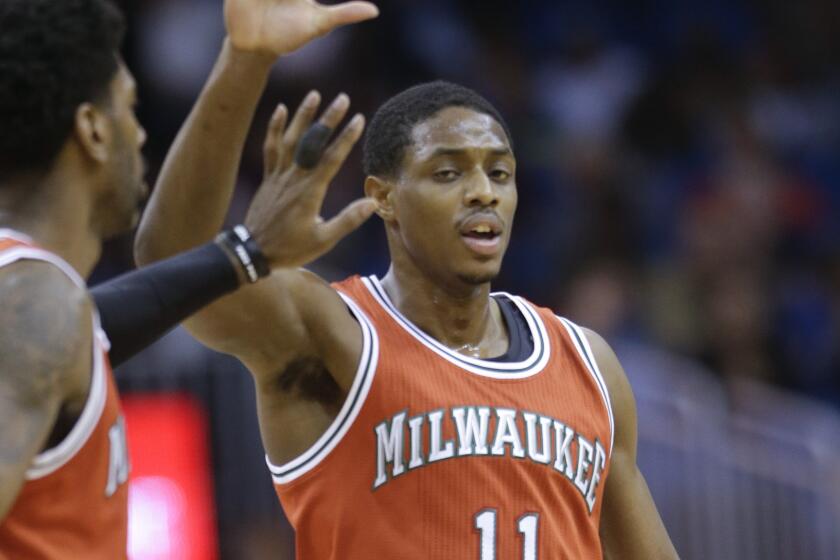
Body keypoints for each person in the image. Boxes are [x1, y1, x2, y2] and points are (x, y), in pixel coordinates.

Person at [135, 0, 679, 558]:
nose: (482, 192)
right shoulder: (334, 333)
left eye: (499, 173)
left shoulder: (589, 364)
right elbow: (170, 266)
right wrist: (243, 62)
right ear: (384, 199)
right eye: (448, 172)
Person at [0, 0, 378, 558]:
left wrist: (249, 250)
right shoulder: (33, 303)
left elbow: (95, 326)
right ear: (93, 131)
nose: (140, 132)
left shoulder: (44, 311)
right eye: (130, 107)